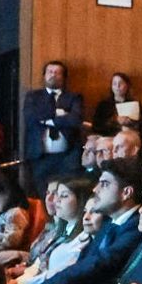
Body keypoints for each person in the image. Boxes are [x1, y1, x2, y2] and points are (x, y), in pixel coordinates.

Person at [6, 175, 92, 284]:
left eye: (64, 196)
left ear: (81, 201)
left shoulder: (83, 238)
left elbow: (57, 276)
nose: (57, 200)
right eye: (57, 195)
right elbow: (38, 266)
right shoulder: (60, 230)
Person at [21, 61, 84, 189]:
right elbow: (31, 117)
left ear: (64, 77)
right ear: (44, 75)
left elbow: (75, 119)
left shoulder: (74, 97)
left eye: (57, 72)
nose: (53, 75)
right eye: (50, 72)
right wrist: (59, 113)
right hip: (40, 157)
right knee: (42, 193)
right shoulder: (33, 96)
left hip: (68, 158)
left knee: (66, 192)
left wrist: (49, 121)